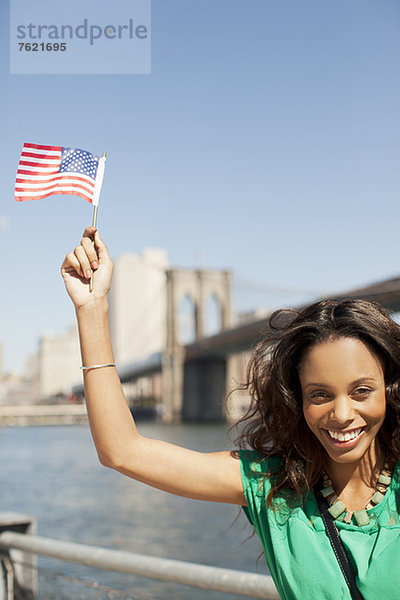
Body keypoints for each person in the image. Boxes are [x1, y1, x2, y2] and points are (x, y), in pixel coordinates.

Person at [61, 227, 400, 600]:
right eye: (319, 394)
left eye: (362, 391)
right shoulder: (273, 487)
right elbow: (121, 450)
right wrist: (92, 309)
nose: (341, 413)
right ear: (296, 399)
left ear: (390, 389)